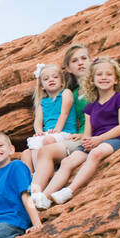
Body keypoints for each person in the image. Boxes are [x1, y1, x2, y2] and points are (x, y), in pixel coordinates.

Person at [47, 57, 120, 206]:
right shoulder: (91, 106)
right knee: (67, 161)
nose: (104, 77)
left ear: (116, 80)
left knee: (95, 153)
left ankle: (69, 191)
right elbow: (87, 133)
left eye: (109, 74)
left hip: (117, 139)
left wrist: (98, 140)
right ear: (92, 80)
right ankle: (45, 197)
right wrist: (87, 141)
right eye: (99, 74)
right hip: (95, 141)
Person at [37, 45, 92, 203]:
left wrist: (84, 134)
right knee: (39, 152)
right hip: (78, 138)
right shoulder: (73, 93)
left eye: (84, 58)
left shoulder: (100, 85)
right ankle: (37, 193)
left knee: (47, 150)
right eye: (75, 61)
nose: (80, 63)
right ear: (68, 68)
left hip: (90, 137)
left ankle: (38, 194)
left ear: (91, 60)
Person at [24, 63, 83, 208]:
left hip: (64, 132)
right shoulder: (42, 102)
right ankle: (36, 175)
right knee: (27, 151)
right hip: (48, 133)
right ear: (42, 86)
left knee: (47, 140)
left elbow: (64, 113)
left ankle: (45, 173)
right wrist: (39, 131)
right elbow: (38, 122)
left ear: (62, 81)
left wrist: (56, 130)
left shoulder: (66, 93)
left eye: (55, 77)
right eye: (46, 78)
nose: (51, 79)